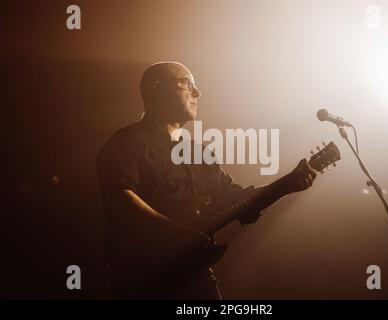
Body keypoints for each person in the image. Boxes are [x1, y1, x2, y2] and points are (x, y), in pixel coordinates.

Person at [96, 61, 316, 299]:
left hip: (194, 278)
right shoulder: (127, 143)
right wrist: (175, 232)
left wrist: (286, 186)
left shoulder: (199, 154)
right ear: (158, 89)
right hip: (140, 281)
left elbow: (236, 199)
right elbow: (120, 197)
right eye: (187, 84)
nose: (197, 93)